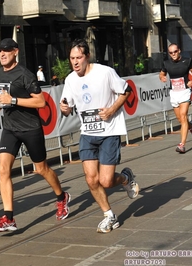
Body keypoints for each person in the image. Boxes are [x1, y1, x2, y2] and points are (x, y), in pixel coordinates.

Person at [0, 38, 70, 232]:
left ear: (15, 51)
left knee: (42, 168)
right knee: (3, 170)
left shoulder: (25, 74)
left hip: (30, 128)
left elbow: (41, 102)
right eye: (0, 51)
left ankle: (62, 197)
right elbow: (5, 94)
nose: (2, 54)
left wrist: (13, 100)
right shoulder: (1, 71)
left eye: (6, 51)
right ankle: (8, 217)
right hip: (10, 128)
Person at [59, 38, 139, 233]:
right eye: (72, 58)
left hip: (109, 132)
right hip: (87, 133)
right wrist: (64, 108)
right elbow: (67, 109)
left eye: (79, 57)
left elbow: (126, 91)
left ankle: (126, 178)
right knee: (91, 179)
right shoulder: (70, 79)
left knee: (105, 181)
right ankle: (109, 215)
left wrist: (111, 110)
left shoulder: (105, 72)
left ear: (87, 57)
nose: (75, 62)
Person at [159, 43, 192, 153]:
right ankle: (191, 125)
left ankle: (182, 145)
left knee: (183, 115)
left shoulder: (187, 60)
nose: (173, 54)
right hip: (174, 93)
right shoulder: (166, 63)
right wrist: (162, 77)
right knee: (180, 119)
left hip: (185, 91)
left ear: (179, 51)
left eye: (175, 52)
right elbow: (161, 74)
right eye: (171, 53)